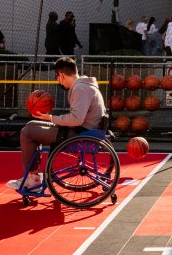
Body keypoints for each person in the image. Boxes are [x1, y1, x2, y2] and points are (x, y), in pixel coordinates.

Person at [7, 57, 107, 190]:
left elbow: (76, 119)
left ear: (61, 75)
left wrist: (50, 117)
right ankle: (34, 176)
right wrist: (51, 118)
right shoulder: (84, 85)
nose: (57, 80)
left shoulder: (80, 89)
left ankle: (33, 179)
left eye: (57, 77)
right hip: (84, 130)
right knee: (30, 124)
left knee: (27, 132)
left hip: (80, 133)